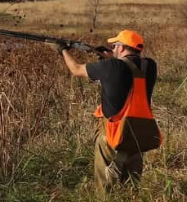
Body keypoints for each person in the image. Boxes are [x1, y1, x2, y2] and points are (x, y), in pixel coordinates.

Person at [57, 29, 162, 189]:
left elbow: (76, 69)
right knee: (132, 185)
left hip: (113, 133)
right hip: (139, 132)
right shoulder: (150, 66)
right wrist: (109, 58)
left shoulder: (111, 66)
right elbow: (129, 68)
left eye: (114, 47)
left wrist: (62, 50)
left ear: (121, 48)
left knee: (105, 185)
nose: (112, 50)